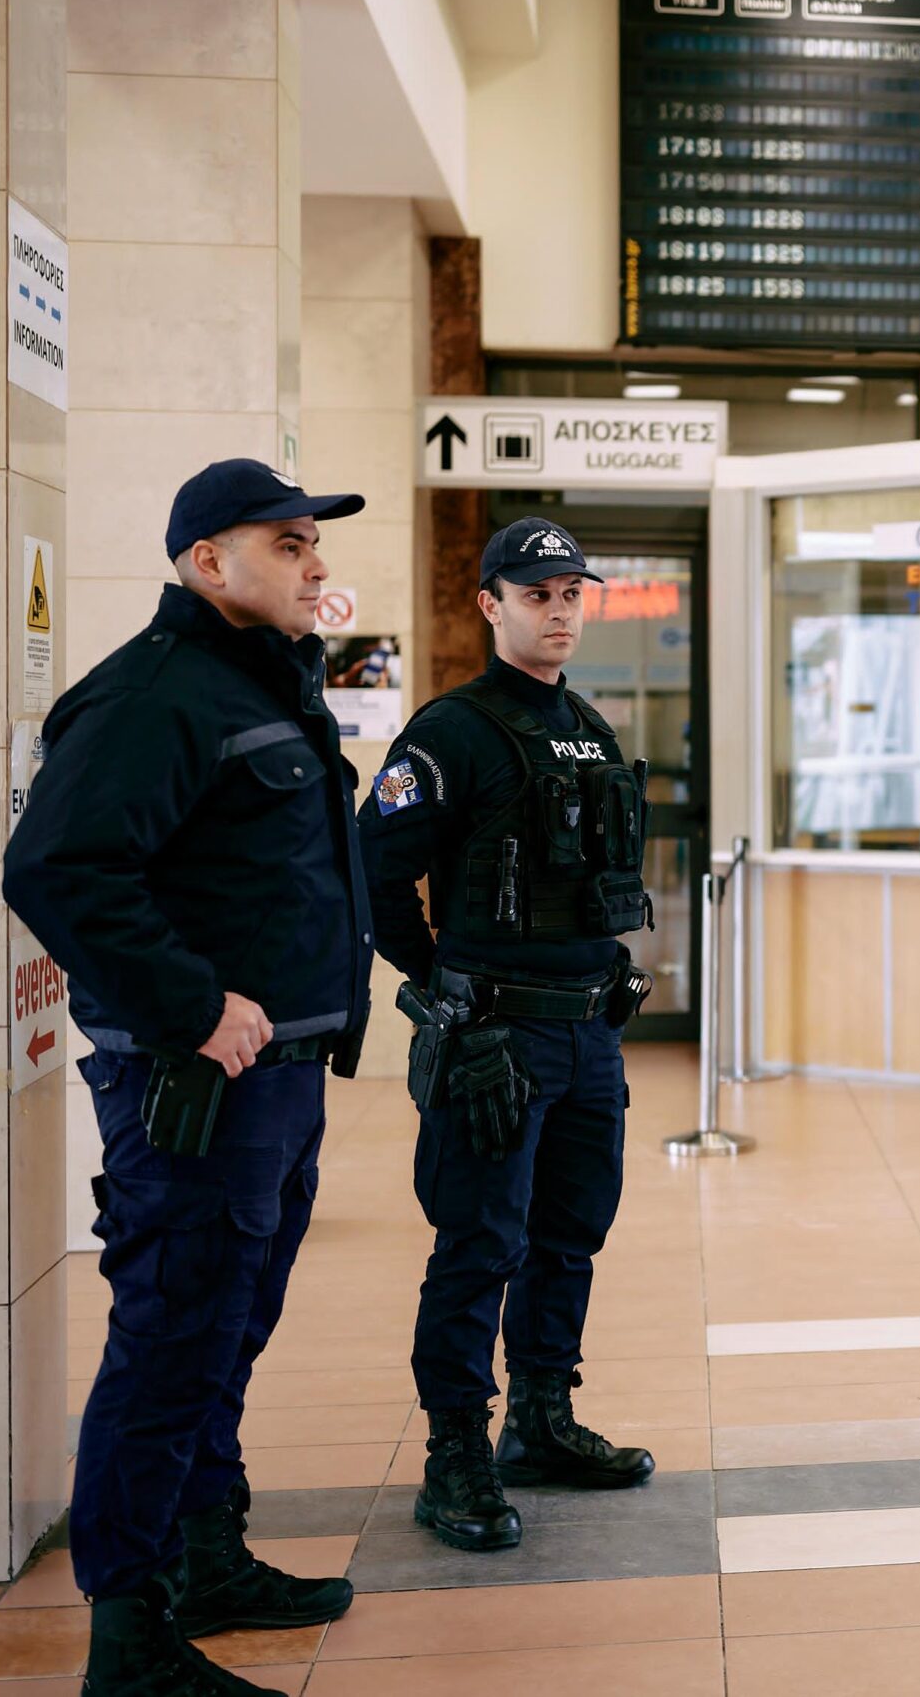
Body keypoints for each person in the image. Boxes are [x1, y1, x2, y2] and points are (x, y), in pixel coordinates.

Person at [2, 459, 372, 1697]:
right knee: (170, 1344)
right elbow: (57, 870)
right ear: (207, 561)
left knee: (225, 1334)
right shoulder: (155, 694)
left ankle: (208, 1557)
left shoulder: (259, 680)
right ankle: (133, 1638)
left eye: (313, 541)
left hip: (281, 1080)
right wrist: (190, 1004)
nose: (313, 561)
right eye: (287, 541)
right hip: (201, 1087)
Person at [359, 519, 659, 1555]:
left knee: (570, 1233)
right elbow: (378, 874)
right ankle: (456, 1453)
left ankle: (540, 1418)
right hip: (496, 1040)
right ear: (490, 604)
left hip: (585, 1037)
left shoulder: (588, 724)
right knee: (478, 1243)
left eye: (574, 591)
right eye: (538, 593)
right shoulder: (451, 732)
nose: (560, 609)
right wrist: (446, 987)